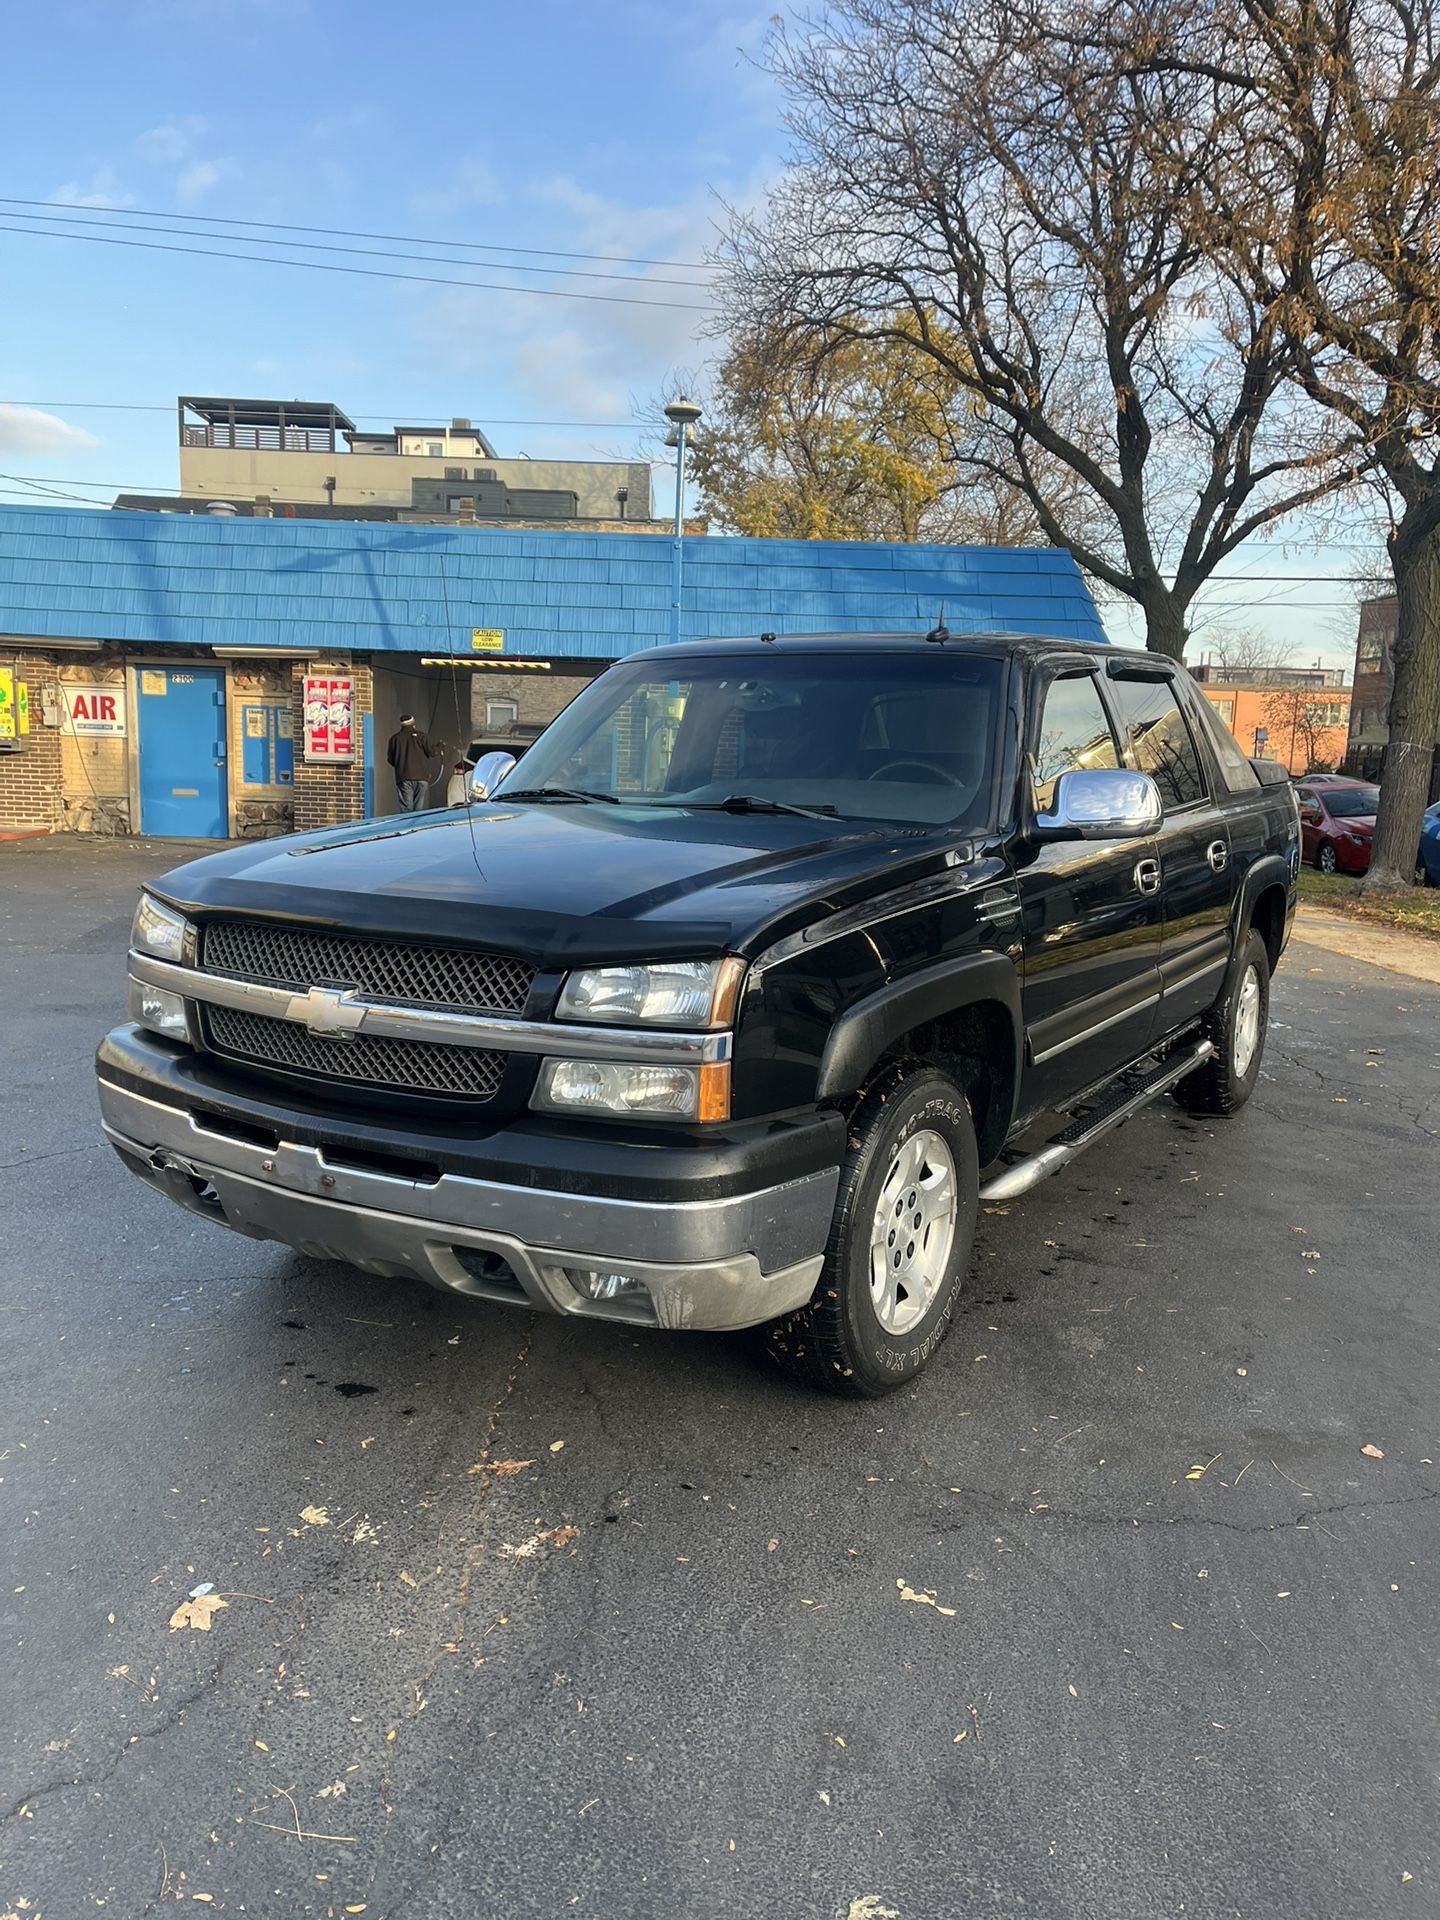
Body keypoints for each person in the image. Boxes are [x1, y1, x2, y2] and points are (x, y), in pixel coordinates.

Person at [386, 714, 443, 812]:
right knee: (418, 810)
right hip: (422, 778)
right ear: (413, 723)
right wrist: (440, 746)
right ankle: (416, 826)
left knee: (407, 809)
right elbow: (432, 752)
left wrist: (401, 766)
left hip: (404, 777)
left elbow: (391, 759)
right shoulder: (422, 736)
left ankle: (407, 826)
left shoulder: (394, 739)